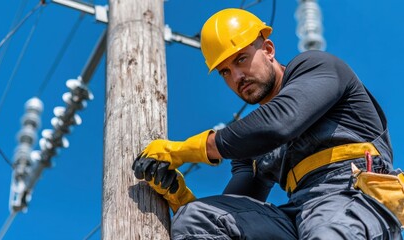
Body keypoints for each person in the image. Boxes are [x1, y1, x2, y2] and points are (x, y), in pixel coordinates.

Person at [132, 8, 403, 239]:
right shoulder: (253, 144)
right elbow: (237, 208)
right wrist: (182, 198)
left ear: (269, 50)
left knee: (325, 231)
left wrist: (186, 150)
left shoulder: (317, 68)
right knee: (197, 219)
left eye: (241, 59)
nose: (237, 76)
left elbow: (279, 123)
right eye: (226, 71)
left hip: (348, 195)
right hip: (297, 214)